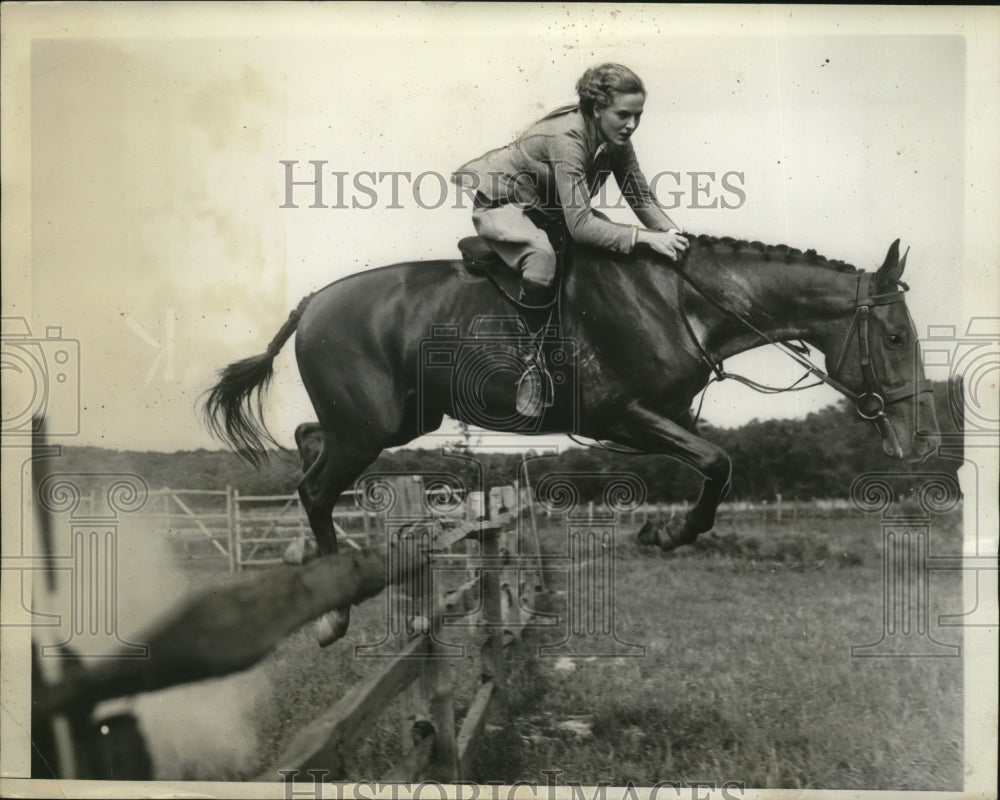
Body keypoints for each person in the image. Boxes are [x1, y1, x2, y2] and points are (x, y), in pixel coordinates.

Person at [453, 63, 689, 416]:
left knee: (612, 252)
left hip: (547, 211)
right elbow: (580, 225)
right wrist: (647, 239)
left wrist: (677, 238)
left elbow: (640, 198)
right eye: (623, 114)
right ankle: (528, 363)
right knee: (542, 257)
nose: (631, 124)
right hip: (503, 205)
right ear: (596, 109)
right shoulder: (567, 138)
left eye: (638, 116)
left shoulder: (616, 141)